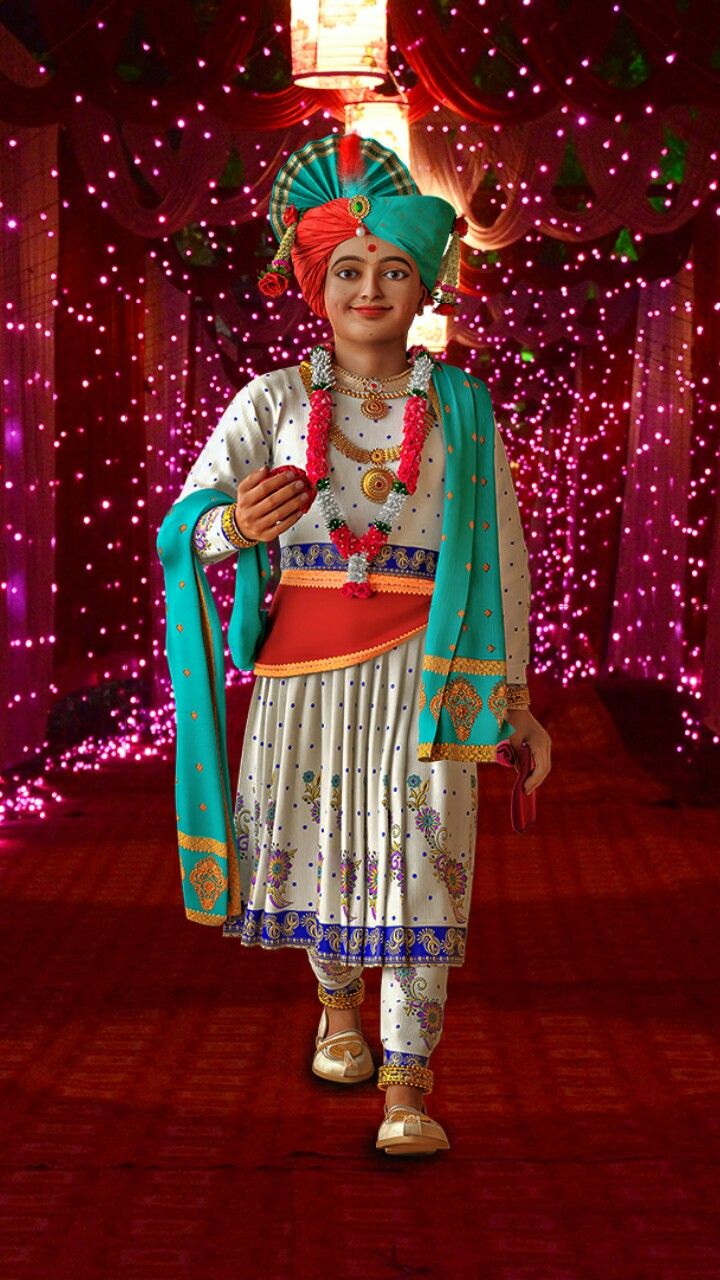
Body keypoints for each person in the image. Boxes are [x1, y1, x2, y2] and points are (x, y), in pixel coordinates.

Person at [157, 132, 552, 1157]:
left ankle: (409, 1083)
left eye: (391, 270)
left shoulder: (464, 410)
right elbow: (186, 524)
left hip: (432, 674)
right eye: (346, 268)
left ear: (424, 289)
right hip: (306, 674)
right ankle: (338, 1010)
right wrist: (236, 526)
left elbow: (505, 553)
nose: (368, 285)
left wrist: (515, 699)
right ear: (313, 283)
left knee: (423, 863)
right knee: (324, 853)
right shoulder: (272, 402)